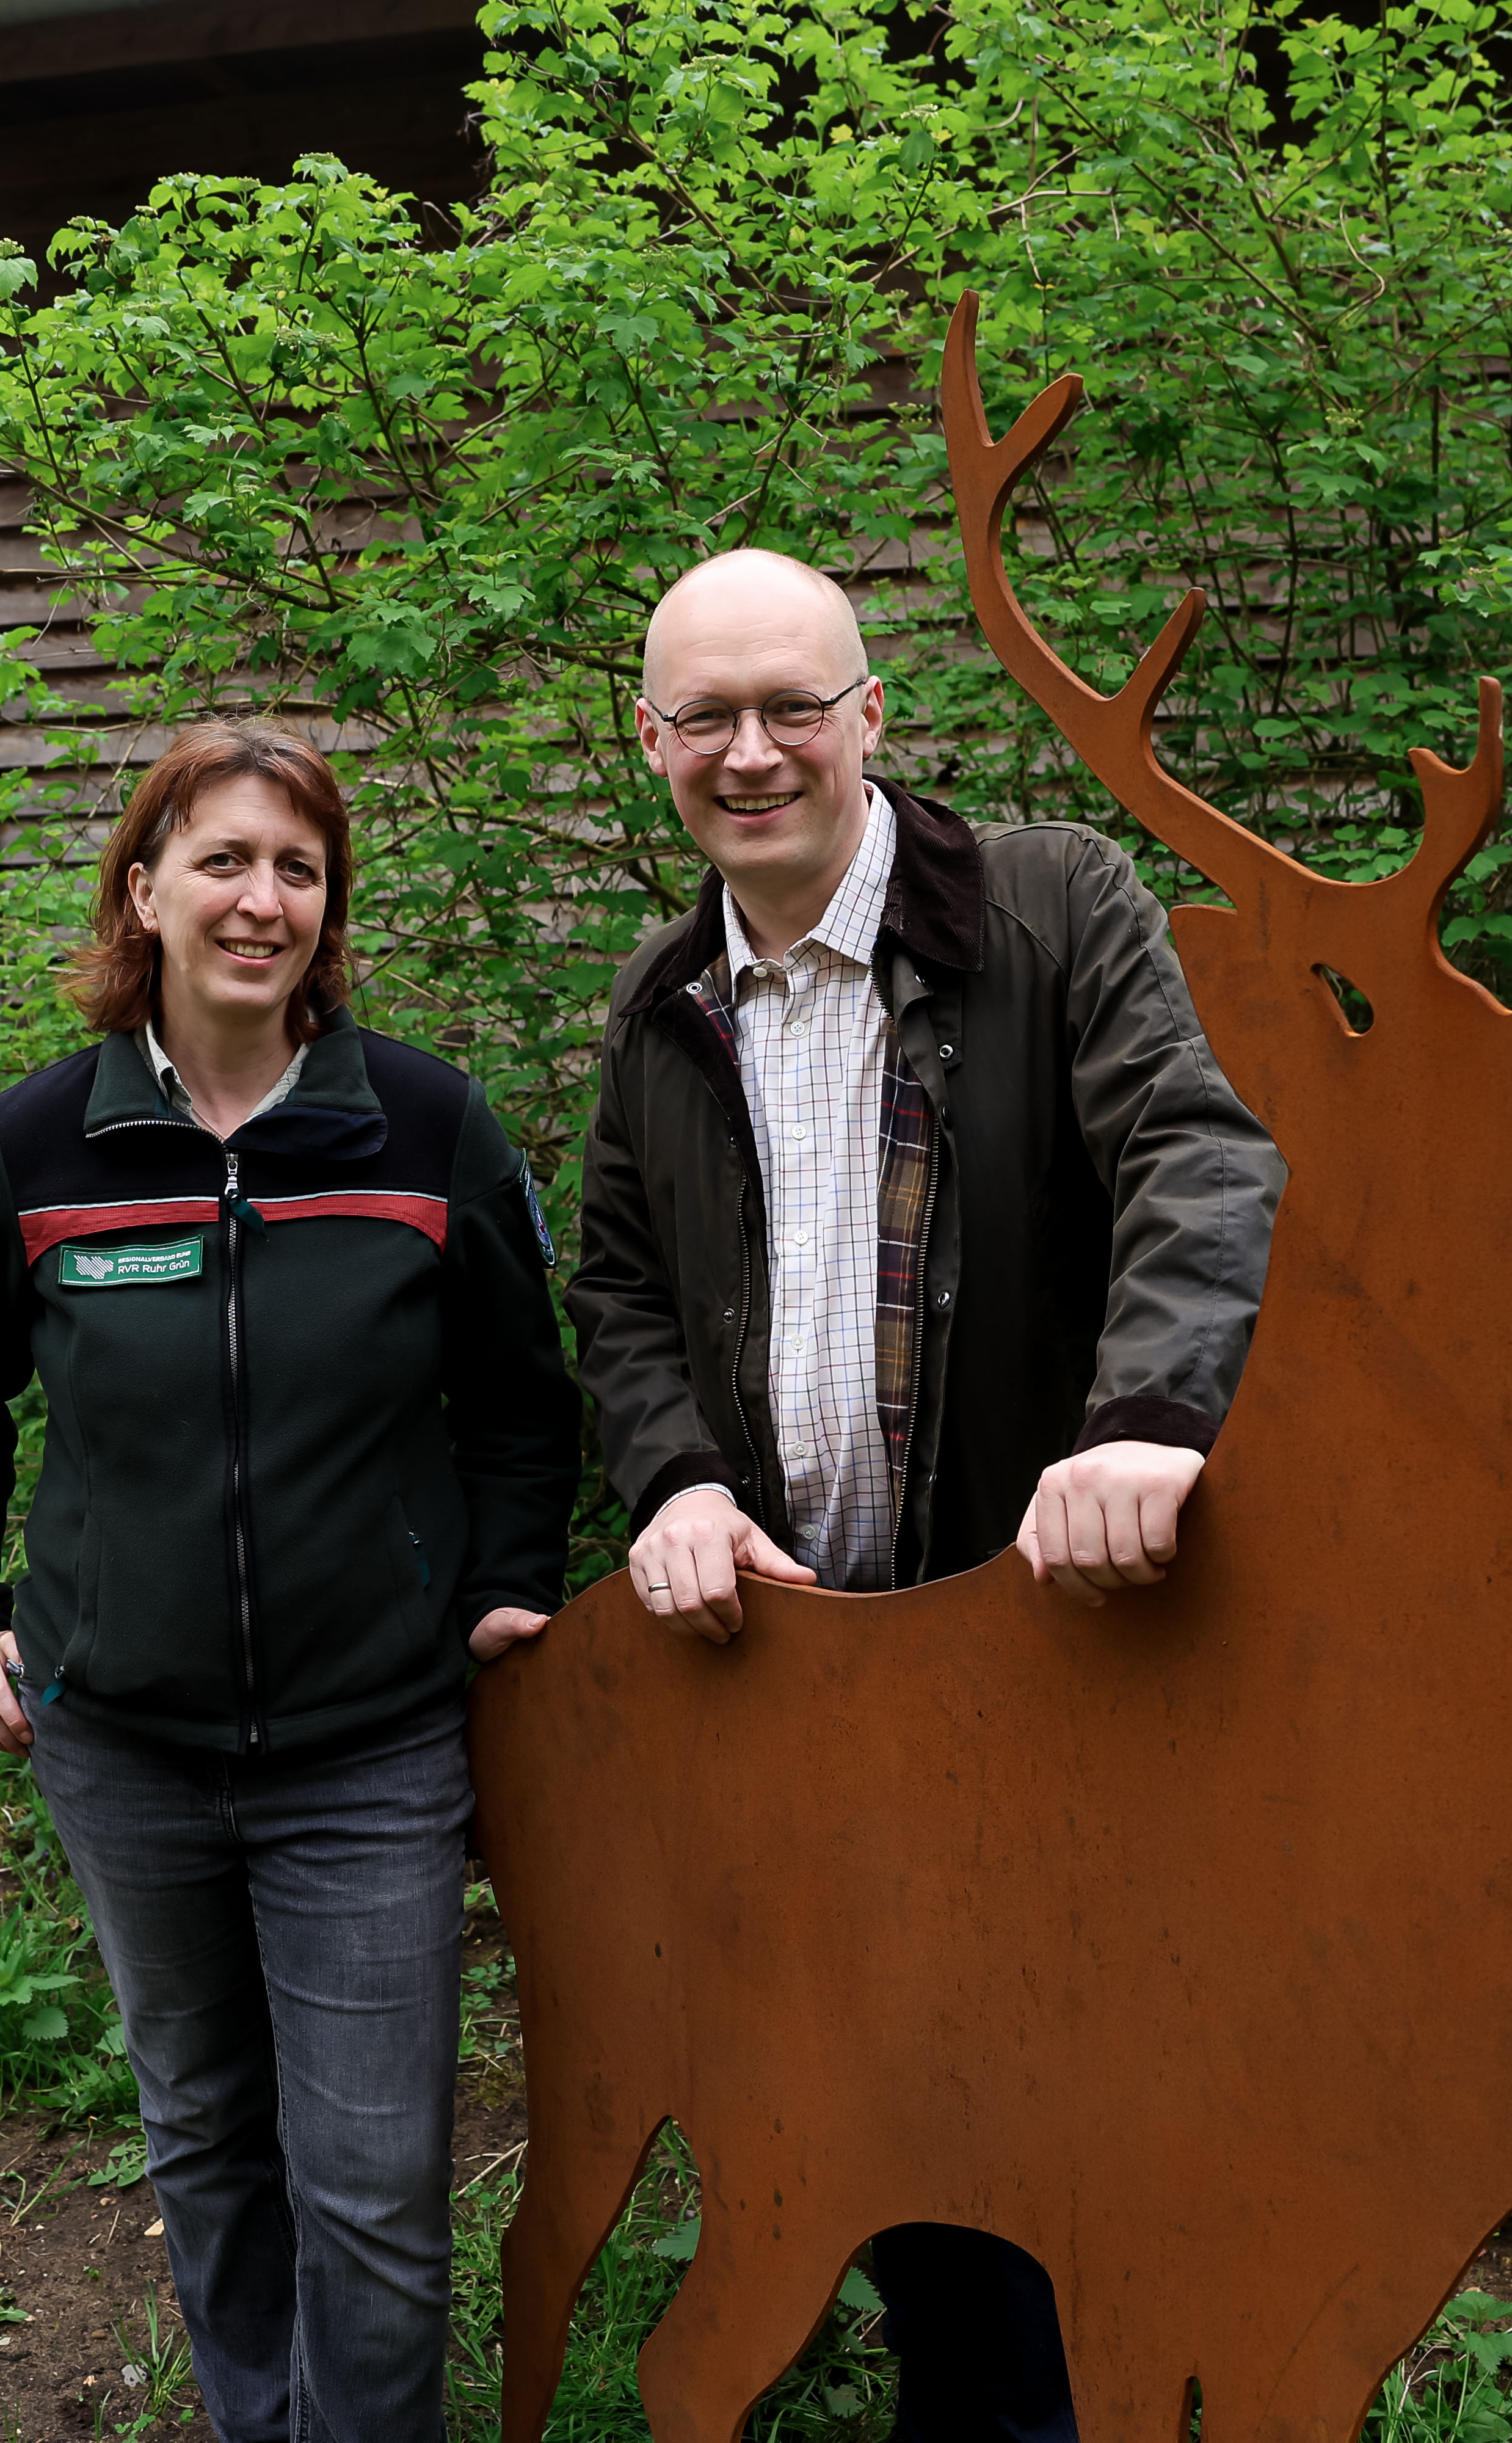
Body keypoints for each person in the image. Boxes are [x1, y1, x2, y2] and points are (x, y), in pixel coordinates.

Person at [567, 549, 1284, 2443]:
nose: (753, 751)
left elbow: (1195, 1155)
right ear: (648, 743)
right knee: (899, 2116)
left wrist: (1146, 1416)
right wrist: (674, 1485)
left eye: (792, 704)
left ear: (871, 714)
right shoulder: (659, 1002)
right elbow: (622, 1293)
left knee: (1075, 2107)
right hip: (813, 1675)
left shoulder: (1047, 908)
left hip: (1040, 1652)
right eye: (706, 717)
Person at [0, 719, 577, 2443]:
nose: (260, 900)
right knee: (203, 2132)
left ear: (326, 909)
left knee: (374, 2179)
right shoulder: (42, 1145)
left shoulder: (421, 1124)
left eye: (297, 868)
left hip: (372, 1746)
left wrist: (499, 1585)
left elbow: (518, 1396)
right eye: (223, 861)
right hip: (127, 1746)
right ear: (145, 892)